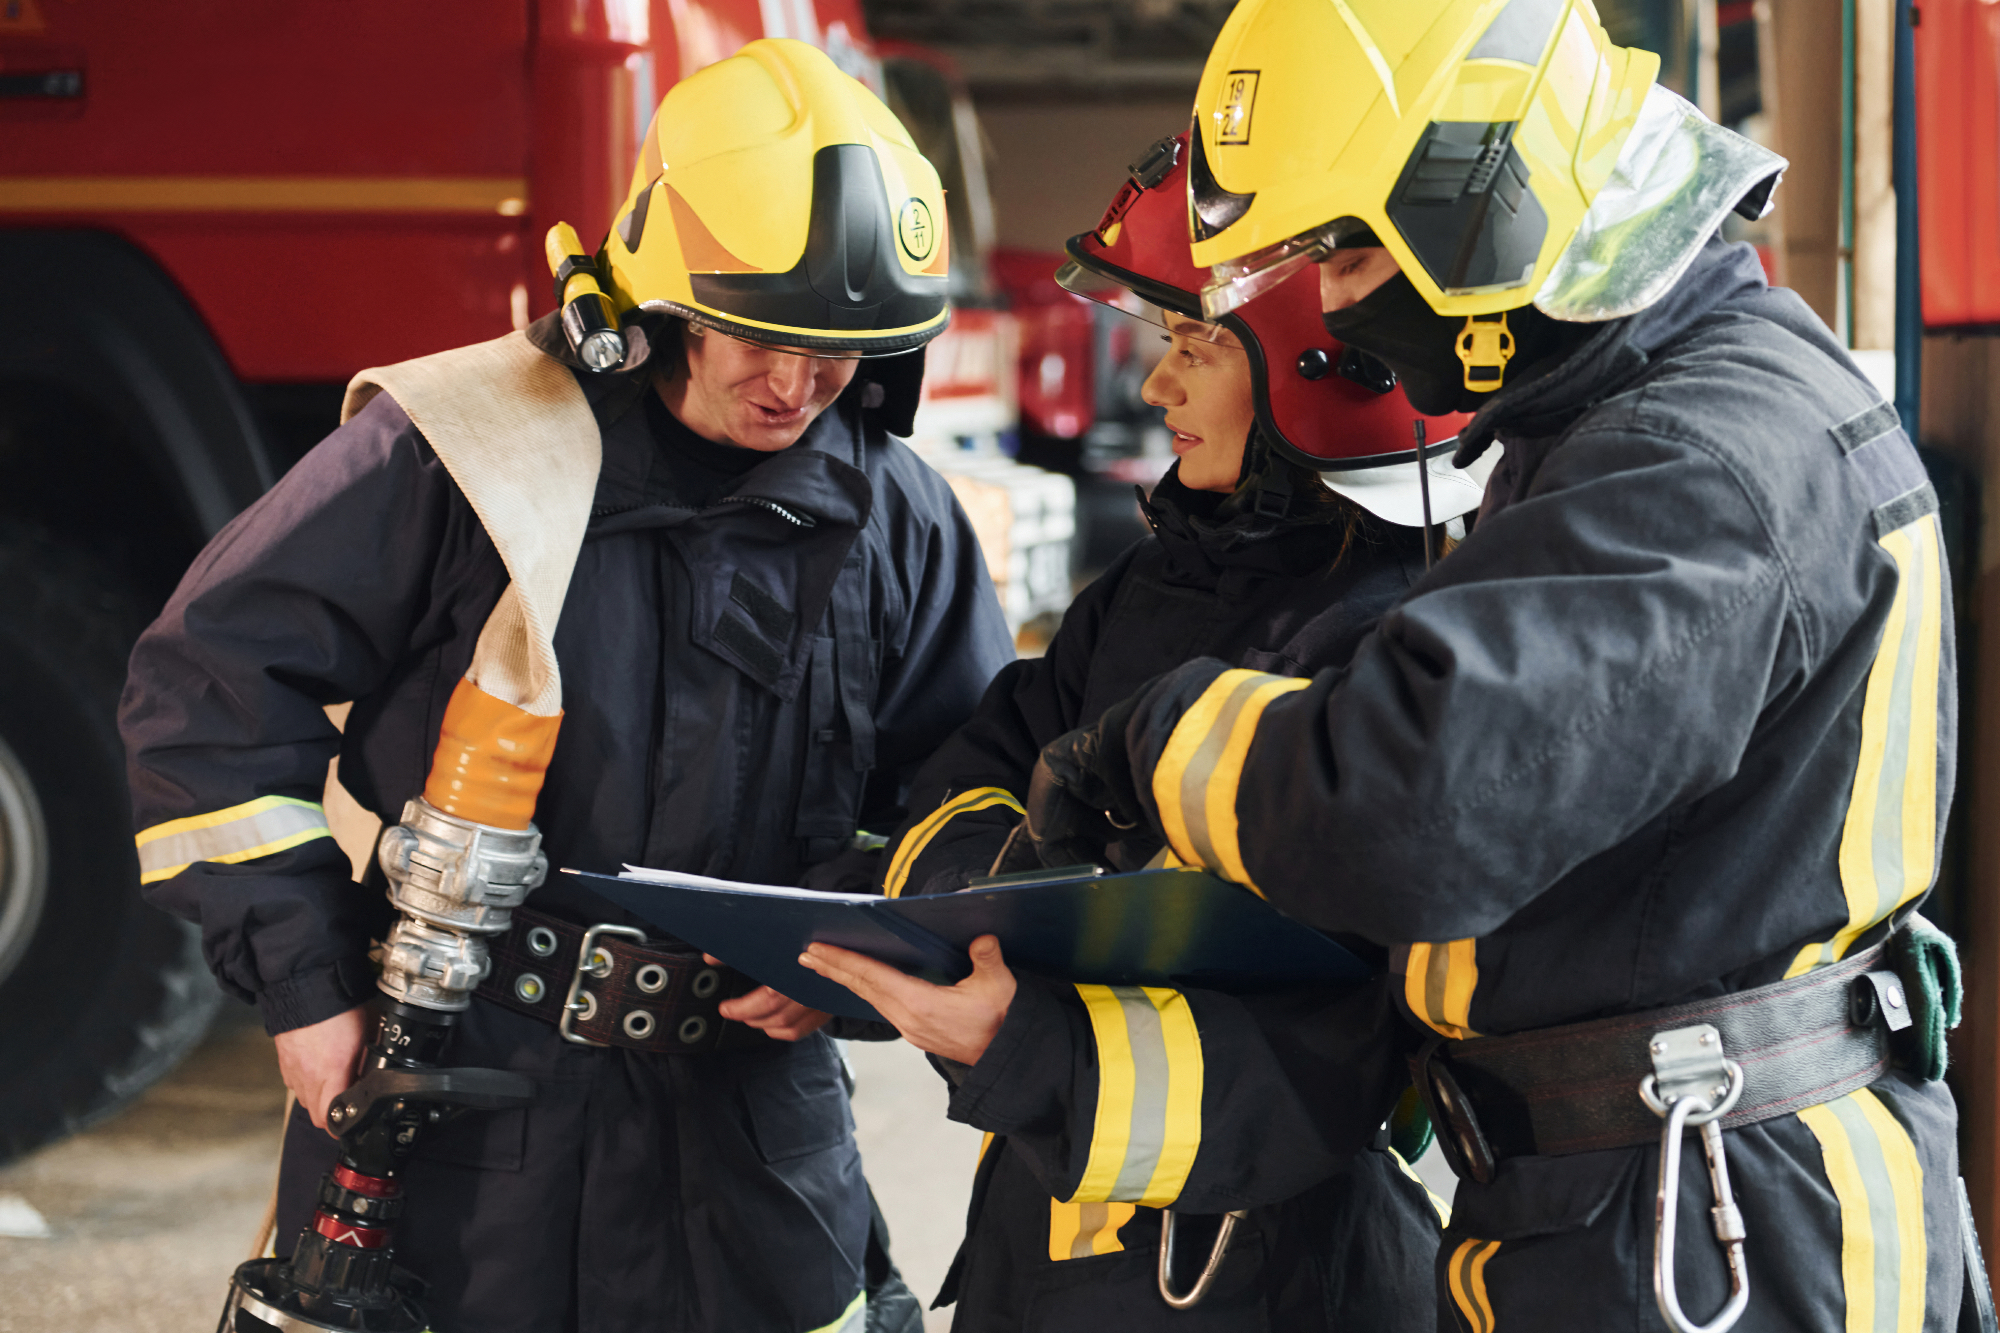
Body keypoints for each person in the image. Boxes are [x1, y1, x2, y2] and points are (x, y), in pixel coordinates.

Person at [1012, 3, 1967, 1330]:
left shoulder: (1698, 464)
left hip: (1709, 1227)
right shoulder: (1653, 415)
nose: (1335, 305)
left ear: (1482, 198)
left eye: (1340, 255)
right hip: (1645, 1198)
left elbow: (1408, 812)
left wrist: (1161, 737)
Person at [119, 40, 1014, 1333]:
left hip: (751, 1130)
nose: (794, 387)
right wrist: (306, 987)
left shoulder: (896, 518)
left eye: (836, 354)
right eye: (758, 336)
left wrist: (859, 934)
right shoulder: (467, 455)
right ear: (651, 294)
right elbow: (203, 687)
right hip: (463, 1096)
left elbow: (968, 793)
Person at [798, 132, 1485, 1331]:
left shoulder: (1396, 657)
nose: (1156, 385)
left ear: (1316, 369)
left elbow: (1334, 1051)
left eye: (1195, 344)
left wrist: (1023, 1038)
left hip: (1259, 1281)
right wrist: (967, 917)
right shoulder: (1152, 588)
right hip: (1047, 1247)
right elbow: (975, 775)